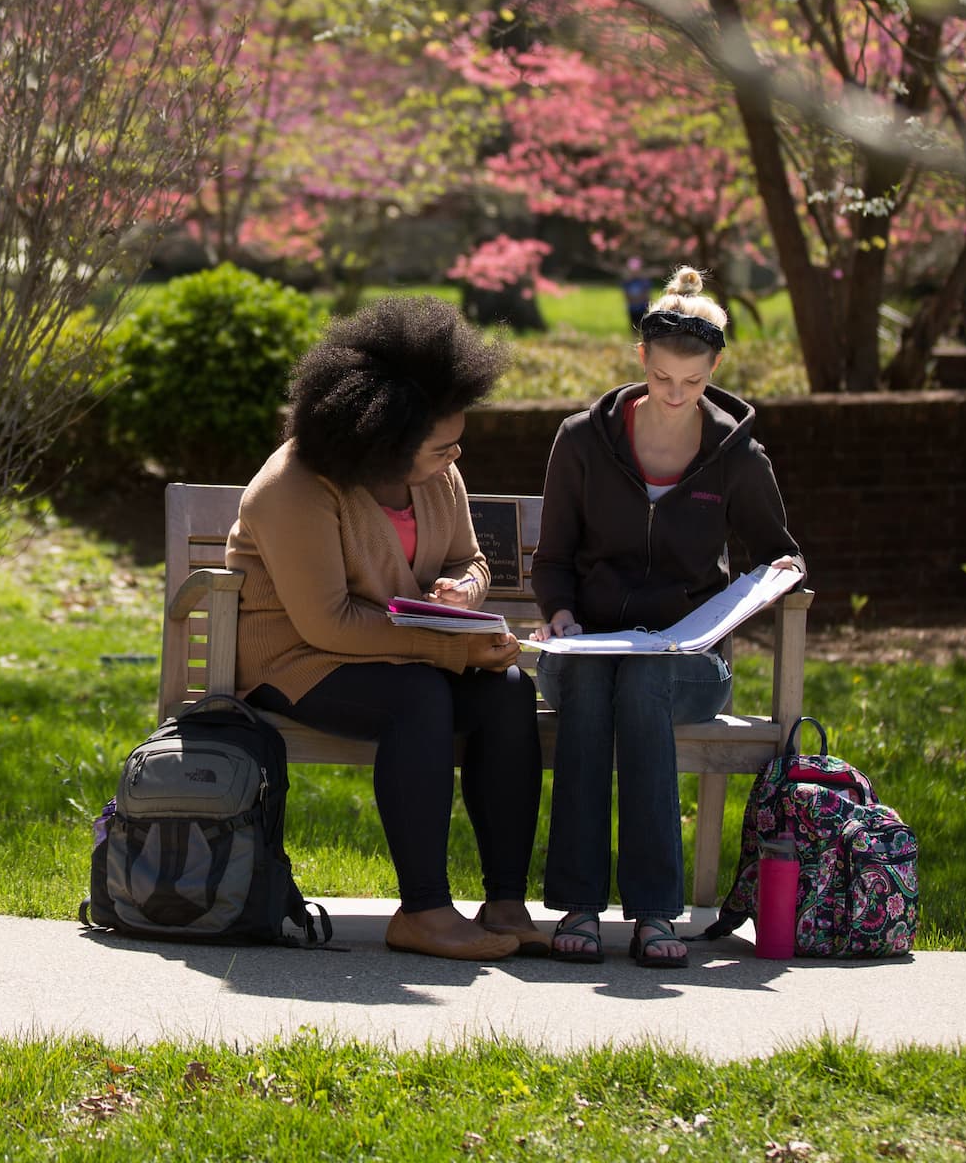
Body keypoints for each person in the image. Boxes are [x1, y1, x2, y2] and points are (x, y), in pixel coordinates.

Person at [226, 297, 542, 962]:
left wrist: (466, 590)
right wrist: (451, 651)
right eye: (441, 446)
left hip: (400, 652)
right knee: (419, 698)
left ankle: (507, 901)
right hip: (297, 661)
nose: (455, 455)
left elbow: (469, 558)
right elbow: (328, 622)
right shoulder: (294, 488)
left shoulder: (438, 475)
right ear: (380, 441)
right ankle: (424, 910)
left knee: (509, 688)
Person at [532, 266, 801, 967]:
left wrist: (760, 589)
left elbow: (782, 557)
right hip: (588, 651)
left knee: (643, 684)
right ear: (641, 361)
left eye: (693, 382)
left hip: (689, 665)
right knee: (599, 684)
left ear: (715, 368)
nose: (677, 396)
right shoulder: (582, 442)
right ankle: (581, 905)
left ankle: (655, 913)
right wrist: (560, 614)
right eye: (662, 379)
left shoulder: (737, 457)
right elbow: (554, 557)